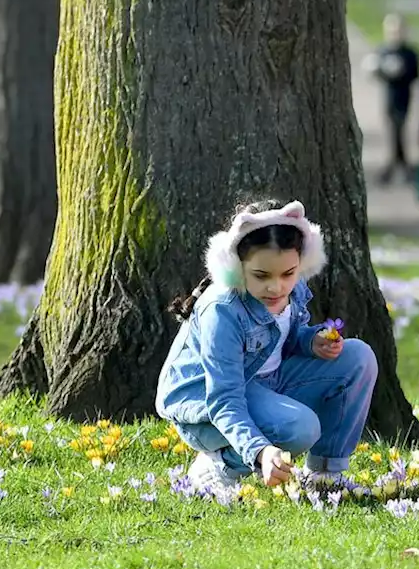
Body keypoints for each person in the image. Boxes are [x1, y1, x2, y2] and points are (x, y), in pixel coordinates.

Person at [156, 199, 378, 493]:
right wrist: (260, 452)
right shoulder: (222, 309)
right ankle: (220, 463)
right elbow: (224, 398)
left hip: (266, 385)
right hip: (209, 409)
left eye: (288, 274)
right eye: (261, 276)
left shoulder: (291, 287)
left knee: (358, 356)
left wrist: (311, 341)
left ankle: (325, 476)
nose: (277, 287)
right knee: (301, 428)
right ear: (236, 266)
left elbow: (284, 337)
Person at [364, 14, 419, 186]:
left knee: (399, 128)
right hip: (389, 97)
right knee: (393, 129)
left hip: (403, 97)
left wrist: (402, 71)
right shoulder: (383, 50)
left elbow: (415, 74)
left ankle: (396, 164)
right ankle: (399, 163)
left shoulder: (409, 53)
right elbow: (377, 72)